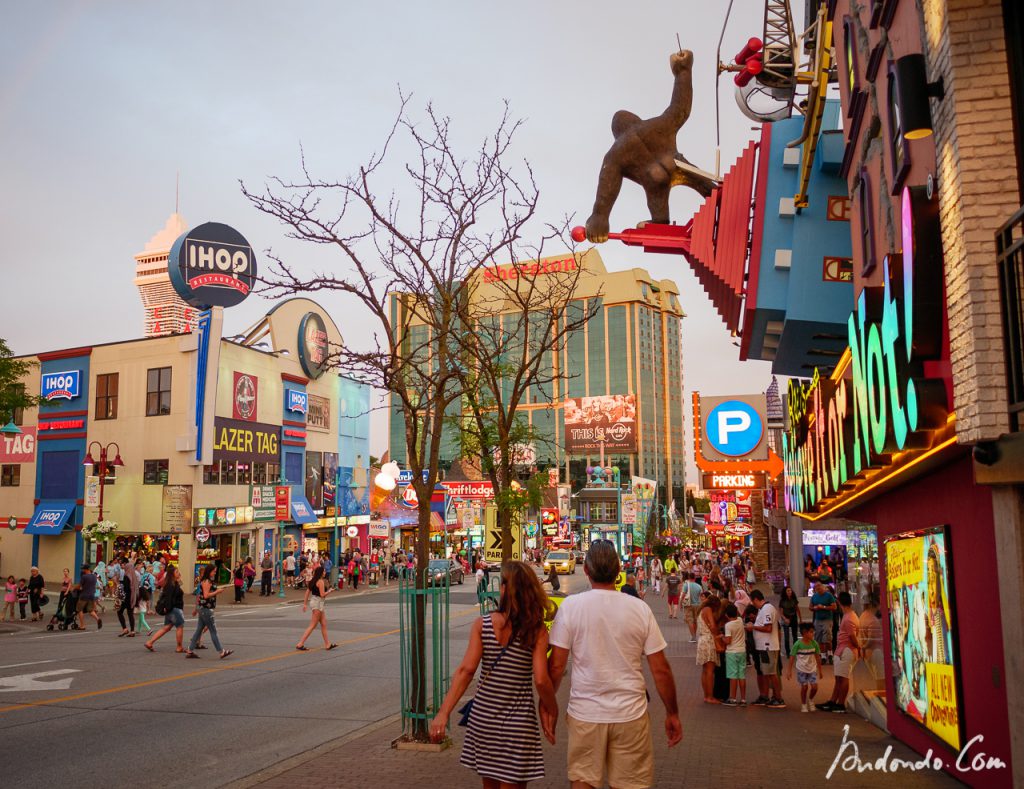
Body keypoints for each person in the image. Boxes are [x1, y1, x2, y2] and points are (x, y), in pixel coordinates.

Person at [547, 541, 681, 789]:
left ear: (585, 570)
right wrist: (672, 712)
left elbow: (556, 667)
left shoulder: (571, 607)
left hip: (585, 713)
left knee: (583, 781)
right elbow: (660, 669)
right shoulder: (640, 609)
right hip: (630, 713)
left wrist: (547, 704)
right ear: (619, 570)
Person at [429, 561, 557, 787]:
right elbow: (540, 679)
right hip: (518, 726)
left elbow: (466, 671)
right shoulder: (536, 630)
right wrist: (551, 708)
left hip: (484, 722)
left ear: (506, 589)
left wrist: (443, 713)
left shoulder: (483, 624)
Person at [819, 591, 861, 713]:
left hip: (846, 650)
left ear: (839, 602)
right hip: (844, 649)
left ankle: (841, 703)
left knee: (843, 677)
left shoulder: (848, 618)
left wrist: (858, 647)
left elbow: (852, 636)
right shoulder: (850, 616)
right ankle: (833, 701)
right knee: (839, 678)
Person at [185, 564, 233, 659]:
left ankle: (190, 650)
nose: (215, 573)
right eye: (214, 571)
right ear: (209, 571)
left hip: (203, 608)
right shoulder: (206, 581)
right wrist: (217, 592)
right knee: (213, 631)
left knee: (199, 630)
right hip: (206, 609)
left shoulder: (208, 580)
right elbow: (206, 595)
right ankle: (221, 651)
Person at [747, 589, 784, 708]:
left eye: (753, 602)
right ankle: (767, 696)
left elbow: (768, 628)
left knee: (772, 673)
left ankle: (778, 698)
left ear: (756, 599)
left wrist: (753, 627)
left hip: (768, 646)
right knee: (767, 672)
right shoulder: (764, 609)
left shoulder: (767, 609)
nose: (753, 604)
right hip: (764, 646)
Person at [295, 565, 338, 651]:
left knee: (323, 624)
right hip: (318, 603)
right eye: (324, 571)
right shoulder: (320, 582)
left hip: (315, 602)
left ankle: (327, 644)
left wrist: (305, 604)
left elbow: (307, 593)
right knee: (312, 625)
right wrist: (329, 591)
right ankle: (300, 643)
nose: (325, 572)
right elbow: (322, 595)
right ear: (321, 573)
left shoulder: (313, 581)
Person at [145, 565, 185, 653]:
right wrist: (168, 608)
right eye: (177, 572)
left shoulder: (173, 583)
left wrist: (178, 579)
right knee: (180, 627)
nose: (179, 573)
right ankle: (179, 647)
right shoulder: (171, 584)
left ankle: (150, 642)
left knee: (166, 627)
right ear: (172, 574)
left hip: (171, 609)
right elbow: (168, 598)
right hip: (174, 608)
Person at [786, 621, 823, 712]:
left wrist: (820, 670)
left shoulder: (814, 644)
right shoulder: (797, 644)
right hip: (801, 669)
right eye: (811, 632)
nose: (813, 633)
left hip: (812, 669)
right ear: (804, 633)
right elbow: (792, 657)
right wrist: (789, 670)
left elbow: (818, 657)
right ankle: (803, 704)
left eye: (813, 631)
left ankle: (810, 700)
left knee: (814, 687)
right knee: (804, 687)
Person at [722, 603, 747, 706]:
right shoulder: (740, 621)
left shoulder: (728, 625)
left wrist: (722, 637)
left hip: (732, 652)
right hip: (742, 650)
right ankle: (743, 699)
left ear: (727, 615)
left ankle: (732, 698)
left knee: (733, 675)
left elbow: (728, 641)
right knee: (741, 675)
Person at [810, 582, 837, 663]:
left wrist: (824, 607)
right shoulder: (814, 596)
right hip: (818, 619)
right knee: (819, 638)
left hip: (827, 619)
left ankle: (830, 654)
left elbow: (834, 607)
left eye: (819, 587)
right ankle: (823, 656)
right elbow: (810, 607)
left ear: (822, 587)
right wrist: (815, 608)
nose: (818, 589)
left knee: (827, 638)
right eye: (816, 588)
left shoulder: (828, 595)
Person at [116, 559, 139, 637]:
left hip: (127, 598)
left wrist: (120, 586)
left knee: (119, 612)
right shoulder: (134, 576)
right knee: (130, 614)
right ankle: (132, 631)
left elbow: (125, 588)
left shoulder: (126, 576)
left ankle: (125, 629)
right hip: (133, 597)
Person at [778, 586, 800, 656]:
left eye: (790, 591)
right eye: (788, 591)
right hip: (785, 618)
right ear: (785, 592)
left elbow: (797, 609)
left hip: (793, 617)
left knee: (795, 635)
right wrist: (785, 619)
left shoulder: (794, 599)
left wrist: (800, 619)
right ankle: (788, 652)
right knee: (786, 636)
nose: (789, 592)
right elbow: (781, 612)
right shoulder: (782, 601)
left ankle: (795, 650)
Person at [682, 572, 702, 643]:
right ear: (695, 578)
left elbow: (683, 595)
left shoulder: (686, 585)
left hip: (688, 605)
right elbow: (701, 596)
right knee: (695, 620)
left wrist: (681, 603)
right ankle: (694, 635)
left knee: (690, 620)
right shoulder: (699, 586)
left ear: (688, 577)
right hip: (697, 605)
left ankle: (693, 636)